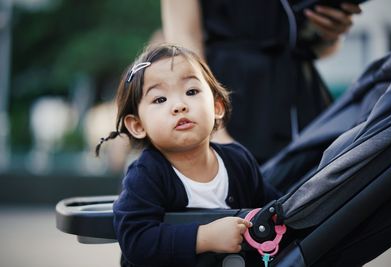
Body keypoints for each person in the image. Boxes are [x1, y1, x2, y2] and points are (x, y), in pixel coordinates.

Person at [96, 44, 280, 267]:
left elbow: (274, 210)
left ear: (217, 107)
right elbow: (136, 240)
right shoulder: (146, 175)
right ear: (137, 125)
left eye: (191, 92)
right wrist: (204, 238)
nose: (179, 106)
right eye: (160, 99)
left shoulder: (238, 161)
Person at [161, 0, 362, 163]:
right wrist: (213, 127)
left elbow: (317, 49)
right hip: (233, 104)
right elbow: (183, 38)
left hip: (306, 105)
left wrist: (330, 32)